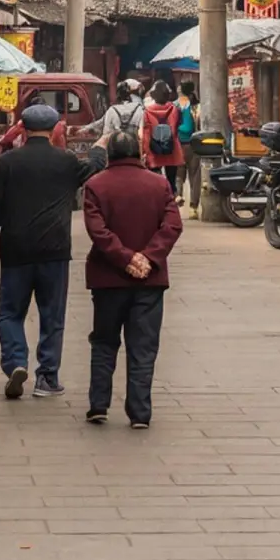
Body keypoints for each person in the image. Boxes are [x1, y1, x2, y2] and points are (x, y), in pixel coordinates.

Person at [0, 104, 109, 400]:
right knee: (52, 316)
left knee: (9, 314)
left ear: (22, 128)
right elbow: (91, 168)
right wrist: (100, 148)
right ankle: (47, 378)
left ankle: (15, 362)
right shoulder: (65, 161)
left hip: (15, 251)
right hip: (54, 250)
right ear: (54, 130)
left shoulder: (9, 162)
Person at [83, 130, 182, 428]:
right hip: (149, 281)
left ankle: (99, 405)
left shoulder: (95, 185)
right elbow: (173, 225)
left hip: (108, 278)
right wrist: (148, 258)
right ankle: (140, 413)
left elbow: (97, 230)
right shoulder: (159, 184)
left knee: (104, 342)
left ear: (109, 155)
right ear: (139, 153)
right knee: (143, 346)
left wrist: (125, 258)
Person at [140, 79, 183, 193]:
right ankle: (171, 202)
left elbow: (146, 133)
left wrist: (144, 151)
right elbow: (176, 128)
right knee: (171, 183)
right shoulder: (175, 109)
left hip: (154, 150)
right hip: (171, 148)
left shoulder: (147, 111)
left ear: (153, 95)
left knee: (154, 183)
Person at [78, 78, 146, 140]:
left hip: (115, 149)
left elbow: (104, 129)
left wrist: (82, 129)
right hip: (135, 149)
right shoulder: (141, 110)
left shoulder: (112, 110)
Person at [0, 94, 68, 151]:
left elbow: (7, 139)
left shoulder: (23, 123)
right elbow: (62, 146)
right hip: (54, 158)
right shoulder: (58, 124)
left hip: (28, 155)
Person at [176, 83, 201, 218]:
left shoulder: (182, 105)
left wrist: (174, 127)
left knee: (179, 174)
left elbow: (186, 127)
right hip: (196, 146)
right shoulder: (199, 106)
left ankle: (178, 197)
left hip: (183, 144)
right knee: (194, 177)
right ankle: (194, 207)